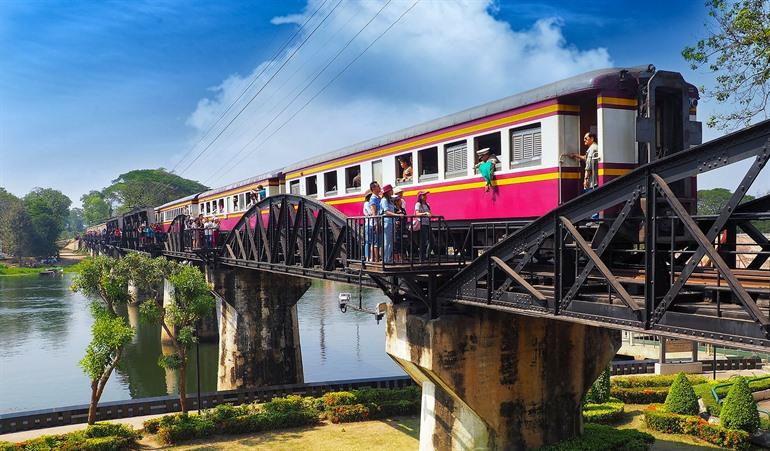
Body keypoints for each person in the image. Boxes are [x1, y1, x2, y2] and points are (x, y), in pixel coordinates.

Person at [379, 184, 404, 264]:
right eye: (391, 190)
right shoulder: (384, 200)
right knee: (387, 241)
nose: (392, 191)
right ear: (388, 191)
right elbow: (386, 212)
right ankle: (386, 259)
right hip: (386, 222)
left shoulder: (389, 200)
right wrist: (397, 215)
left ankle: (388, 259)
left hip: (391, 222)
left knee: (390, 242)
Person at [414, 191, 432, 260]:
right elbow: (417, 213)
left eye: (425, 195)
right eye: (423, 195)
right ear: (420, 197)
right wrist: (425, 214)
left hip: (427, 223)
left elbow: (430, 213)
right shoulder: (418, 204)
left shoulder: (427, 204)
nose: (425, 196)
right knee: (423, 241)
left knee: (431, 241)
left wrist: (430, 215)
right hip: (422, 224)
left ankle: (427, 255)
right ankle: (422, 257)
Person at [367, 181, 382, 262]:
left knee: (377, 241)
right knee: (375, 242)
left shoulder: (378, 197)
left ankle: (375, 258)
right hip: (375, 223)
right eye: (378, 186)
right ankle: (375, 259)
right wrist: (376, 224)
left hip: (379, 222)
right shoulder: (373, 199)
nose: (379, 187)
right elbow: (374, 212)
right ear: (373, 188)